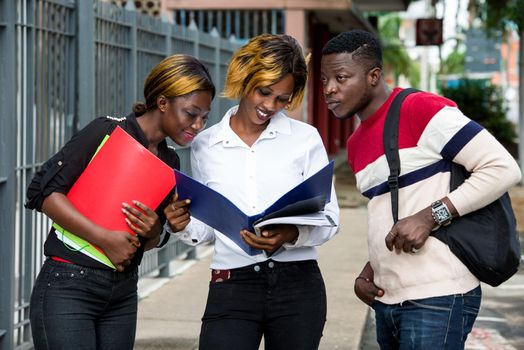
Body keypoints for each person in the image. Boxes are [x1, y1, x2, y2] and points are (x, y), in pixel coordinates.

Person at [320, 29, 521, 349]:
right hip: (388, 299)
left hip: (438, 296)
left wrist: (430, 216)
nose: (330, 89)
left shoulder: (419, 109)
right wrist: (372, 268)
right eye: (325, 80)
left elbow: (503, 168)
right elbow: (391, 212)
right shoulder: (356, 143)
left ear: (373, 76)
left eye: (341, 77)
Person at [25, 54, 215, 350]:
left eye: (205, 117)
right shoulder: (107, 131)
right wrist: (104, 239)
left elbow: (152, 239)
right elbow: (43, 192)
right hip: (68, 284)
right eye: (191, 113)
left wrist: (155, 230)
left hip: (123, 294)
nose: (198, 125)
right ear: (163, 102)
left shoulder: (170, 160)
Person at [165, 34, 340, 350]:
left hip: (297, 285)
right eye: (264, 92)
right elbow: (207, 228)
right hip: (232, 283)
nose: (270, 106)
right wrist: (182, 225)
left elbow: (329, 219)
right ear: (245, 78)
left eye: (282, 99)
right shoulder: (206, 145)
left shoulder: (305, 139)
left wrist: (289, 233)